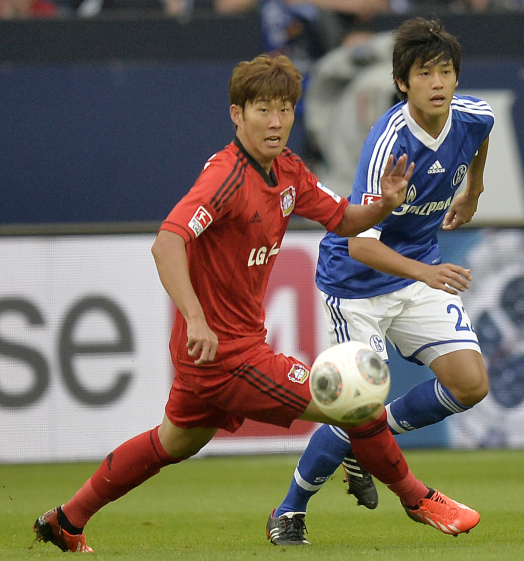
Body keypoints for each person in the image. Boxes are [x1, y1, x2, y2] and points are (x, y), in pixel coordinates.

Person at [31, 53, 475, 554]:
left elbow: (342, 220)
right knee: (353, 399)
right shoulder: (225, 178)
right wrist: (196, 318)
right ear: (236, 114)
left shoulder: (286, 170)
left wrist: (381, 205)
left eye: (285, 109)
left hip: (215, 353)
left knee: (171, 442)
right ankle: (419, 500)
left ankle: (67, 519)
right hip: (227, 354)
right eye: (263, 109)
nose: (276, 121)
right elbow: (167, 242)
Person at [268, 17, 493, 544]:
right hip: (357, 284)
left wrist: (474, 191)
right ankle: (290, 510)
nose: (437, 83)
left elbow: (481, 140)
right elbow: (358, 241)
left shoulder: (473, 117)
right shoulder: (389, 141)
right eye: (424, 73)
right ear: (402, 82)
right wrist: (428, 272)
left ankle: (362, 442)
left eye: (445, 72)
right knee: (357, 402)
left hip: (416, 272)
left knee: (471, 384)